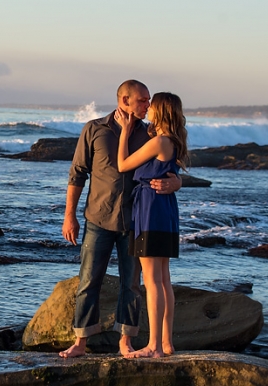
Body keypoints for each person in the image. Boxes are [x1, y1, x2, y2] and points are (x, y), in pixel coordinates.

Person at [60, 80, 181, 358]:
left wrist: (177, 184)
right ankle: (80, 343)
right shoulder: (94, 129)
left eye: (150, 101)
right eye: (142, 101)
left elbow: (168, 164)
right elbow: (77, 173)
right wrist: (69, 215)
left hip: (136, 220)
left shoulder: (150, 133)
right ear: (124, 100)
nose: (147, 106)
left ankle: (126, 341)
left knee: (133, 284)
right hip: (98, 217)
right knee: (88, 280)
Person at [115, 92, 188, 358]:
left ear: (160, 111)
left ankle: (154, 345)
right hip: (165, 210)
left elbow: (123, 164)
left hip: (149, 210)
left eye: (152, 107)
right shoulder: (175, 140)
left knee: (152, 281)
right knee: (164, 279)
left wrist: (124, 131)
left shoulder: (159, 142)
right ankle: (166, 343)